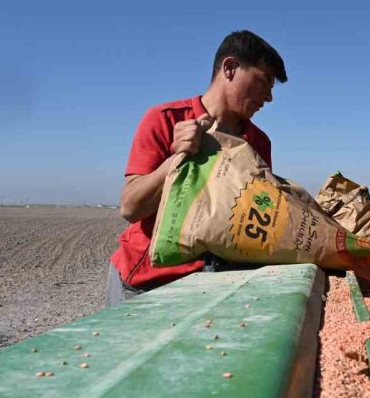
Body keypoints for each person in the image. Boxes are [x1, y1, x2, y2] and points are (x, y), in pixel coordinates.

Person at [106, 30, 287, 306]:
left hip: (214, 289)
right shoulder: (164, 120)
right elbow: (130, 208)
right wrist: (176, 161)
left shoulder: (259, 143)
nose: (269, 97)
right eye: (263, 81)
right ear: (230, 68)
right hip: (145, 285)